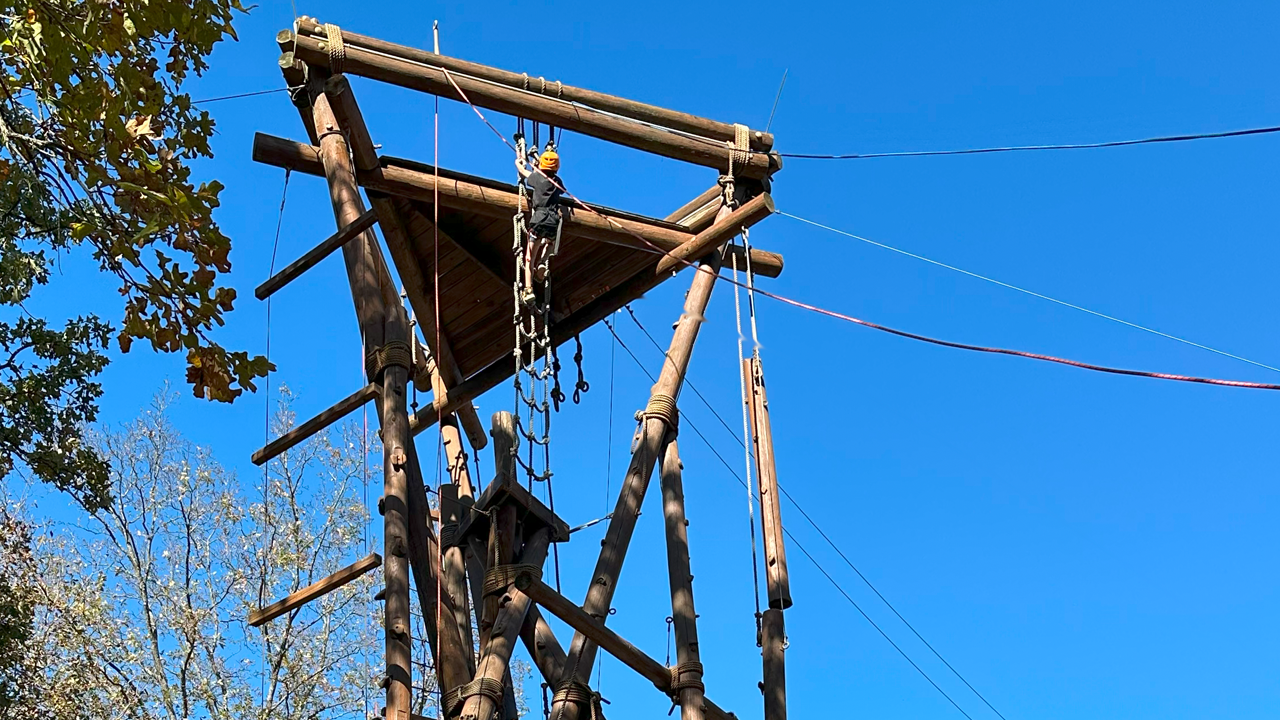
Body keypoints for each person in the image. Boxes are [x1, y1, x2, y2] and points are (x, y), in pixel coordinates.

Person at [515, 147, 570, 292]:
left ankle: (528, 289)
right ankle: (542, 262)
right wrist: (537, 159)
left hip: (539, 219)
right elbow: (561, 189)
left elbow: (524, 171)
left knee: (529, 258)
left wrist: (518, 161)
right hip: (553, 221)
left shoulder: (537, 178)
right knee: (549, 243)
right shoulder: (557, 181)